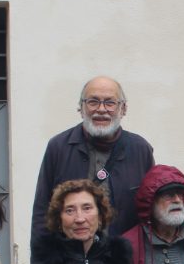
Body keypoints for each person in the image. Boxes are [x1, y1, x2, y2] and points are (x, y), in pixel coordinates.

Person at [31, 76, 155, 238]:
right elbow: (42, 210)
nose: (101, 109)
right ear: (81, 108)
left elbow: (151, 210)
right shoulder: (59, 147)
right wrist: (41, 261)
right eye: (93, 102)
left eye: (110, 103)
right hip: (69, 258)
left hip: (124, 258)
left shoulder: (140, 149)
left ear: (123, 109)